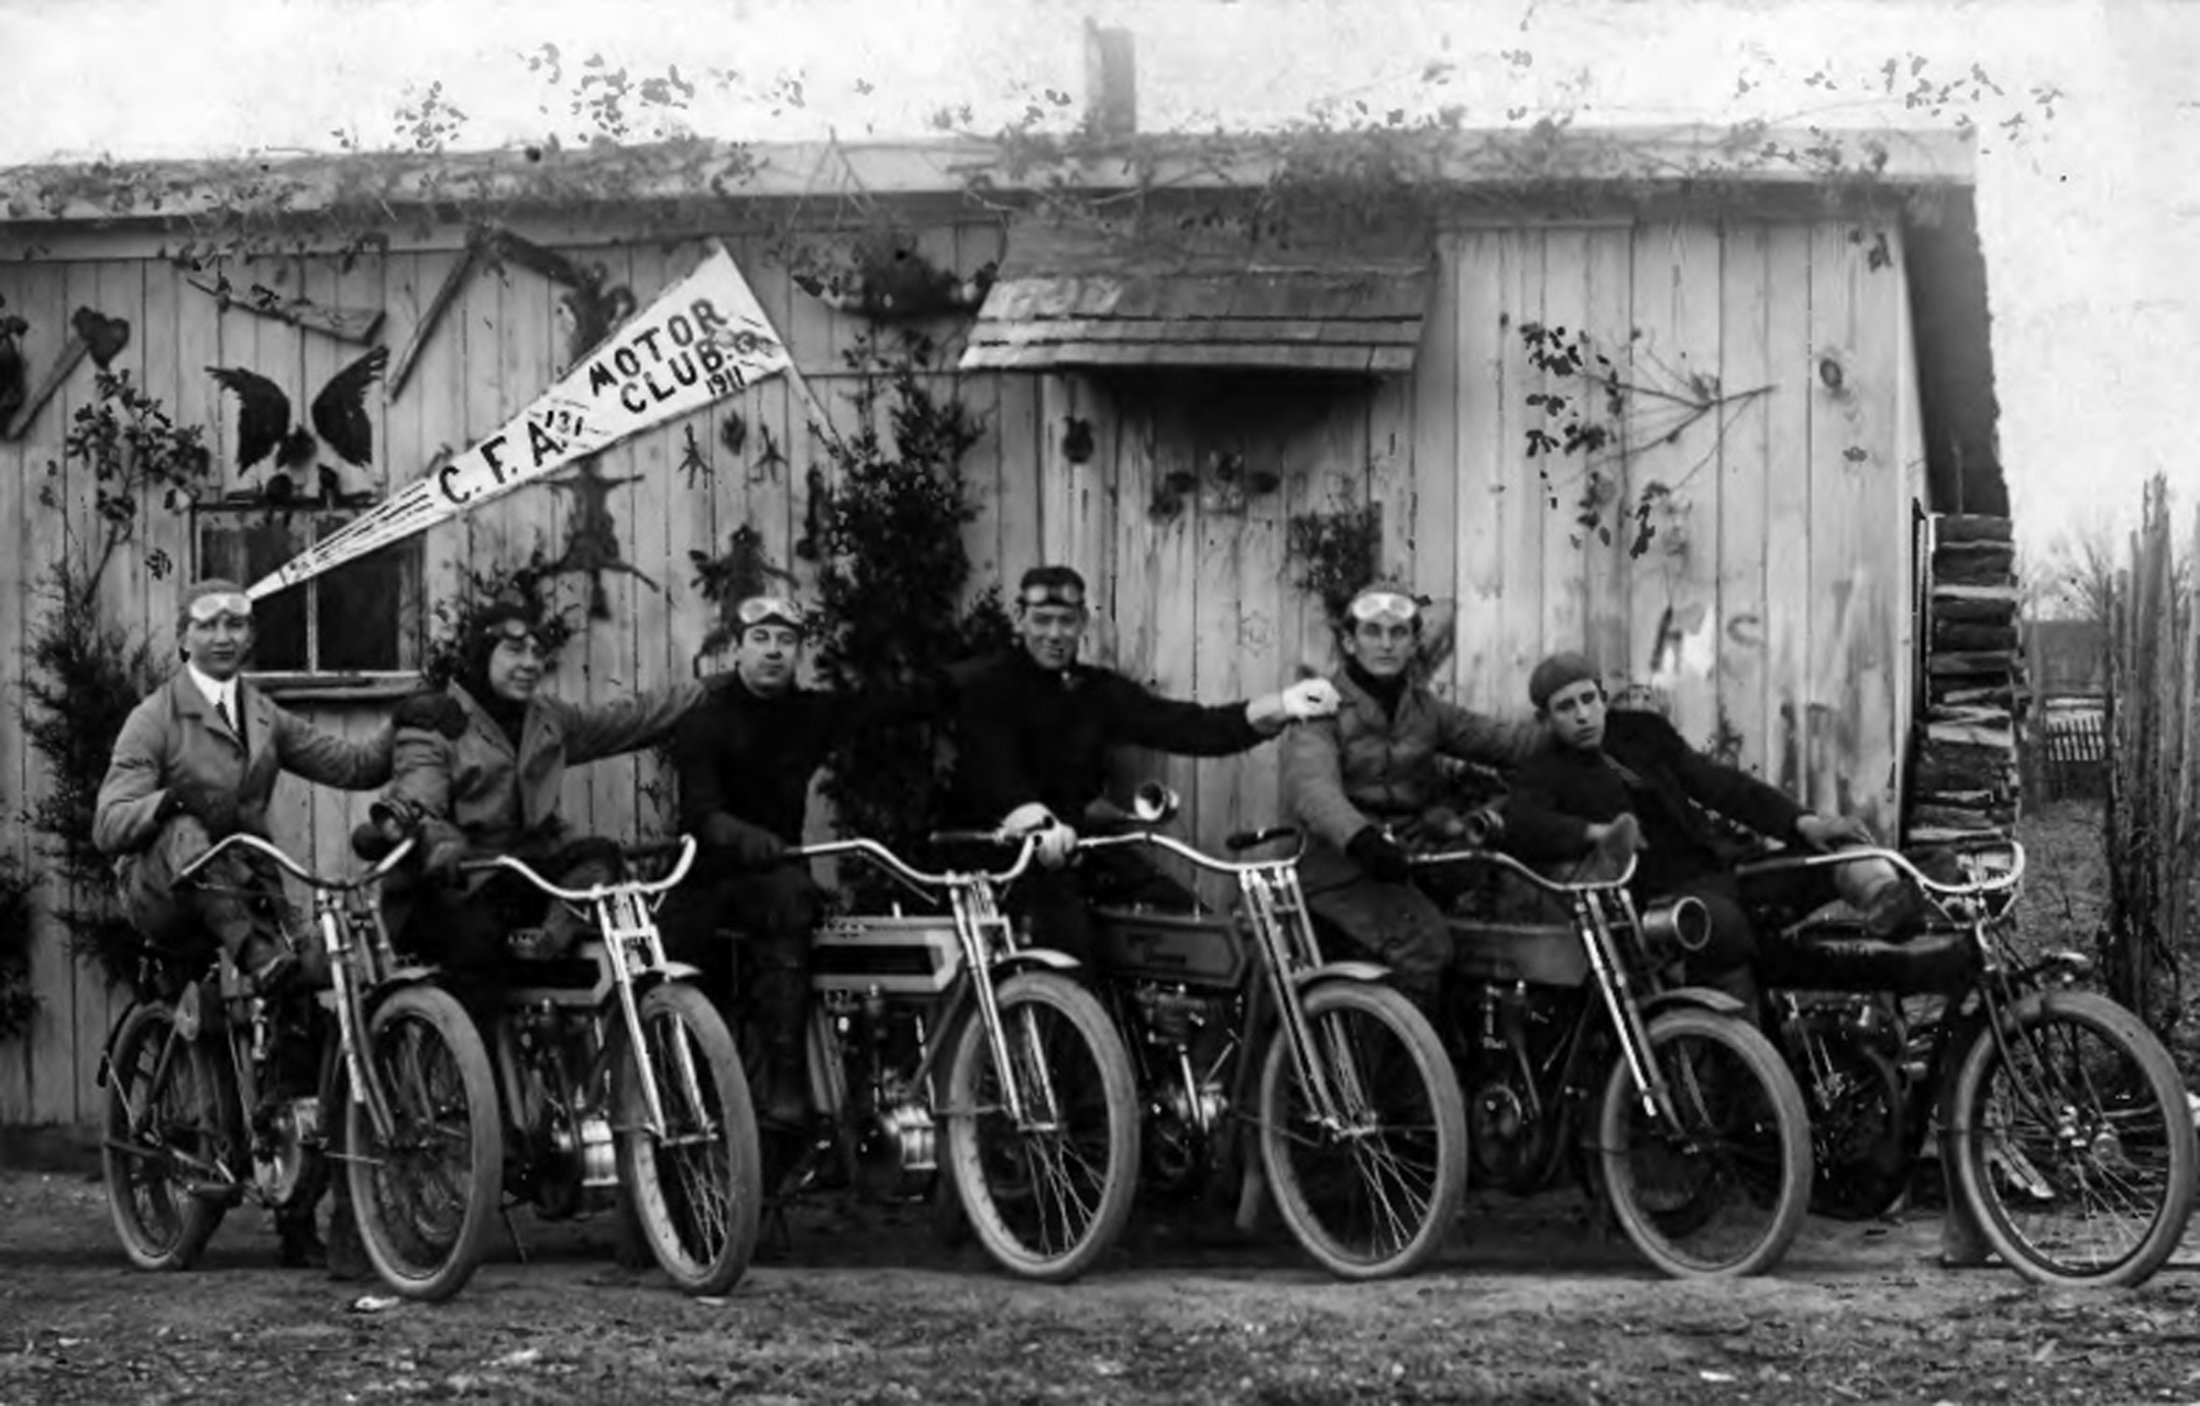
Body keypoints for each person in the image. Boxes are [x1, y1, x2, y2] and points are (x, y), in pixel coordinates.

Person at [93, 576, 424, 1271]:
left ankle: (298, 1201)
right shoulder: (156, 718)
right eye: (209, 624)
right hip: (168, 891)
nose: (224, 636)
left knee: (309, 1009)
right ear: (184, 636)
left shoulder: (264, 714)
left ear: (250, 636)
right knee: (190, 831)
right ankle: (261, 958)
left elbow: (356, 764)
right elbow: (107, 822)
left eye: (237, 624)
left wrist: (411, 720)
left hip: (246, 888)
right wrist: (161, 803)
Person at [656, 593, 958, 1127]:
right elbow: (701, 811)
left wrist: (962, 684)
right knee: (686, 978)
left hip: (777, 873)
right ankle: (733, 1094)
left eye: (786, 641)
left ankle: (819, 1091)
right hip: (706, 878)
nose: (773, 652)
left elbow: (883, 705)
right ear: (738, 648)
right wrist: (744, 837)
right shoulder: (705, 717)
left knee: (803, 908)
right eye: (761, 639)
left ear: (798, 651)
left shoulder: (810, 713)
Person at [946, 564, 1339, 962]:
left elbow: (1186, 725)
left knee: (1199, 935)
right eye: (1041, 620)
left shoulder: (1095, 690)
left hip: (1081, 850)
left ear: (1082, 621)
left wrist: (1282, 705)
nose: (1054, 634)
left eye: (1065, 621)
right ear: (1020, 619)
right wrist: (1036, 821)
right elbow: (996, 770)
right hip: (1004, 859)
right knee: (1068, 958)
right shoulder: (989, 686)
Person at [1496, 651, 1923, 1009]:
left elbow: (1715, 783)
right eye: (1565, 708)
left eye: (1588, 698)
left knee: (1838, 849)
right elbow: (1523, 825)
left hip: (1719, 871)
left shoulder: (1642, 733)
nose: (1583, 715)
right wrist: (1595, 835)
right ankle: (1748, 1075)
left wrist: (1800, 820)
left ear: (1602, 696)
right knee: (1724, 927)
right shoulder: (1544, 771)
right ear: (1546, 719)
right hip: (1658, 902)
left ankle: (1889, 903)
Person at [372, 597, 722, 1017]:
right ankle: (479, 1076)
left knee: (599, 857)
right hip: (446, 887)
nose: (530, 663)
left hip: (517, 877)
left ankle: (550, 942)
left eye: (538, 653)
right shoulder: (438, 720)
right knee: (478, 954)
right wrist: (438, 841)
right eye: (515, 650)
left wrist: (706, 691)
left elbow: (628, 719)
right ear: (482, 656)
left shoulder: (547, 719)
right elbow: (418, 800)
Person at [1279, 583, 1543, 1014]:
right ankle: (1405, 1077)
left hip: (1411, 855)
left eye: (1398, 633)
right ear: (1349, 641)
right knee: (1424, 946)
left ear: (1414, 643)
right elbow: (1313, 788)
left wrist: (1578, 735)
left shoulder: (1424, 710)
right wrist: (1360, 838)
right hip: (1339, 865)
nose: (1386, 643)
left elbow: (1502, 741)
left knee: (1494, 920)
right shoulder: (1319, 707)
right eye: (1372, 632)